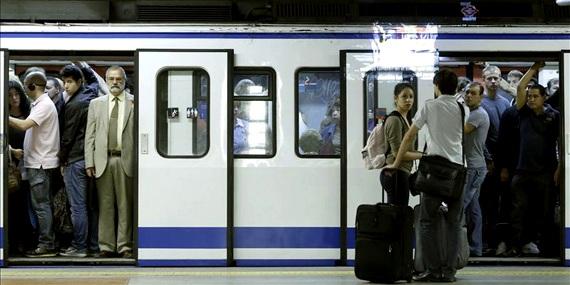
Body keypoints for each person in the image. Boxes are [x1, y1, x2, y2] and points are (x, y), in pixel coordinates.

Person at [386, 69, 468, 282]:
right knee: (453, 223)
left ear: (437, 86)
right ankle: (449, 272)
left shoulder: (429, 106)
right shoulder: (463, 108)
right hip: (457, 173)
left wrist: (395, 163)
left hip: (435, 173)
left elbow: (409, 136)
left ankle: (432, 270)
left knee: (426, 221)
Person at [505, 61, 560, 257]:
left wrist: (560, 168)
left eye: (535, 96)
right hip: (522, 171)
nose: (531, 99)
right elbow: (520, 87)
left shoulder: (555, 117)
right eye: (529, 96)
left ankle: (544, 247)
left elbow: (562, 144)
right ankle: (516, 246)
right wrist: (535, 67)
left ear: (544, 98)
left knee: (543, 212)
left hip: (545, 172)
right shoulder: (524, 113)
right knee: (518, 211)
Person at [9, 70, 60, 257]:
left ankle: (47, 244)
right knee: (41, 205)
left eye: (25, 86)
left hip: (40, 163)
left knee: (41, 206)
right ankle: (46, 241)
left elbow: (23, 125)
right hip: (38, 162)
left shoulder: (44, 105)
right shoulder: (40, 104)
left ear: (31, 86)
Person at [85, 65, 134, 258]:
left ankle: (125, 246)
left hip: (125, 160)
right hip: (103, 159)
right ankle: (105, 246)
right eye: (111, 79)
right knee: (105, 206)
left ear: (124, 81)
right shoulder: (96, 104)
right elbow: (90, 134)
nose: (115, 82)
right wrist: (90, 161)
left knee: (125, 205)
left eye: (119, 79)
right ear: (106, 80)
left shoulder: (134, 103)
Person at [57, 63, 99, 257]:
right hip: (88, 158)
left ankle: (79, 246)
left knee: (77, 206)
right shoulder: (89, 93)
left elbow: (68, 137)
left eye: (70, 82)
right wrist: (83, 65)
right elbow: (92, 80)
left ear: (78, 82)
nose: (66, 86)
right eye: (65, 82)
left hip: (75, 159)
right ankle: (91, 244)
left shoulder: (74, 104)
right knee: (89, 205)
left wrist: (61, 160)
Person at [479, 65, 511, 255]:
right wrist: (487, 160)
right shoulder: (479, 103)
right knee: (486, 204)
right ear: (483, 80)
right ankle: (486, 242)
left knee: (503, 204)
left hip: (502, 161)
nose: (493, 81)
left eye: (496, 78)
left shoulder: (506, 103)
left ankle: (500, 241)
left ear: (501, 81)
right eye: (489, 78)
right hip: (484, 161)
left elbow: (507, 136)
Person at [379, 82, 422, 206]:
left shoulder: (406, 120)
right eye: (404, 96)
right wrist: (422, 156)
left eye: (411, 96)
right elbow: (398, 153)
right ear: (395, 98)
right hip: (395, 173)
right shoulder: (394, 120)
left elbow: (409, 149)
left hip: (402, 173)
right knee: (397, 214)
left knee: (399, 214)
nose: (408, 100)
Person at [461, 82, 490, 257]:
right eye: (467, 93)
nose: (468, 96)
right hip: (474, 165)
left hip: (474, 167)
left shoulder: (478, 114)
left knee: (462, 205)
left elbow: (462, 130)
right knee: (473, 207)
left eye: (473, 93)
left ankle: (467, 245)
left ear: (481, 97)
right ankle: (475, 246)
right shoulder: (470, 113)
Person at [7, 78, 35, 254]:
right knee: (14, 207)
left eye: (16, 94)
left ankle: (27, 243)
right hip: (11, 168)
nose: (14, 98)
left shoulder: (29, 113)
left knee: (28, 207)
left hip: (30, 165)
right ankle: (14, 244)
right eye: (10, 96)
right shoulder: (4, 117)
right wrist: (11, 151)